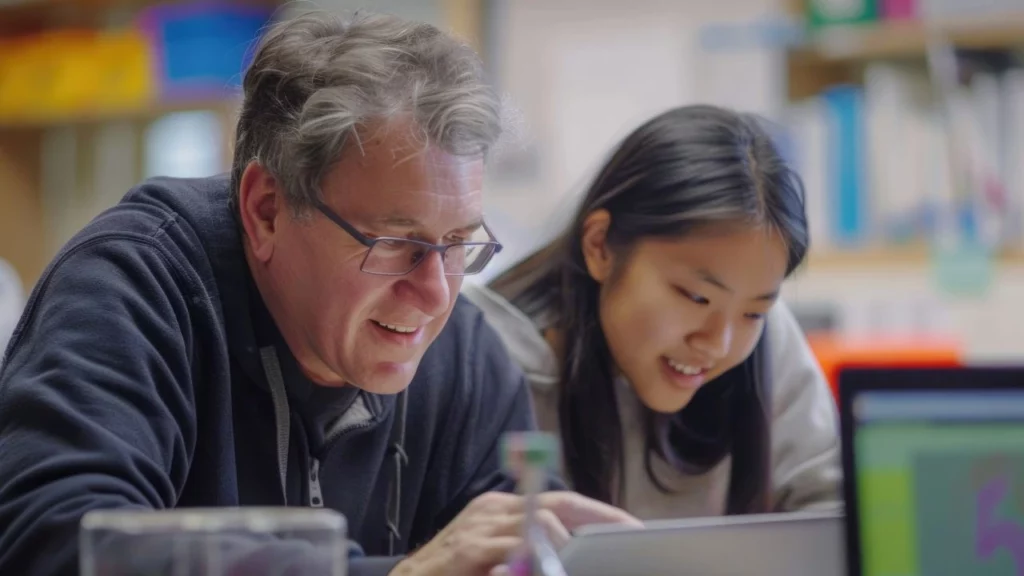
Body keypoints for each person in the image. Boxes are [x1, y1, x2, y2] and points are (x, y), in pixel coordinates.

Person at [0, 12, 639, 576]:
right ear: (267, 210)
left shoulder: (468, 361)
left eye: (459, 242)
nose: (435, 291)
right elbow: (56, 542)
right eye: (394, 242)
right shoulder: (135, 289)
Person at [463, 105, 841, 519]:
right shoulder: (485, 361)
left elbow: (834, 517)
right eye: (696, 297)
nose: (717, 342)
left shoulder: (769, 338)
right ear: (600, 245)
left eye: (754, 312)